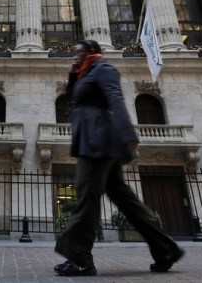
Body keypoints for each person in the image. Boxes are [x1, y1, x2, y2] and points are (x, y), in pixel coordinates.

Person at [54, 39, 184, 277]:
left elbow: (115, 98)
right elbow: (74, 97)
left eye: (78, 52)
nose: (74, 56)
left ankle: (80, 259)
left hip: (99, 141)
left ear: (91, 52)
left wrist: (128, 134)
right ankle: (166, 249)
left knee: (87, 199)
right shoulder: (85, 73)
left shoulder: (103, 69)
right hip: (94, 139)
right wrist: (74, 75)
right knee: (126, 201)